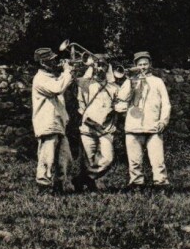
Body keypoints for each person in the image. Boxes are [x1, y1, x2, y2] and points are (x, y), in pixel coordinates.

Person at [117, 51, 171, 188]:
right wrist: (130, 81)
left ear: (150, 64)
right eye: (140, 64)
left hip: (153, 126)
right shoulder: (129, 81)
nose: (143, 67)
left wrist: (163, 121)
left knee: (158, 161)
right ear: (135, 65)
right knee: (134, 161)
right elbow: (122, 99)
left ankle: (161, 185)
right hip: (133, 126)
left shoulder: (158, 81)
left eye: (145, 64)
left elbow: (166, 104)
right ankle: (136, 184)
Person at [73, 57, 122, 192]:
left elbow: (118, 107)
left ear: (108, 68)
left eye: (103, 66)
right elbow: (81, 101)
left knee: (107, 159)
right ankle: (89, 184)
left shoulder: (114, 88)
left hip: (105, 129)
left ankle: (82, 178)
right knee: (88, 160)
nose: (100, 69)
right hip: (88, 128)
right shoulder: (86, 84)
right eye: (97, 66)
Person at [31, 47, 74, 193]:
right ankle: (43, 186)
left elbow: (61, 88)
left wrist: (68, 73)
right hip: (47, 124)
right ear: (43, 63)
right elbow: (57, 89)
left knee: (65, 158)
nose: (55, 62)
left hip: (58, 124)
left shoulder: (52, 77)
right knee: (47, 157)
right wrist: (67, 71)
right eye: (52, 60)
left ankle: (60, 186)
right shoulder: (40, 79)